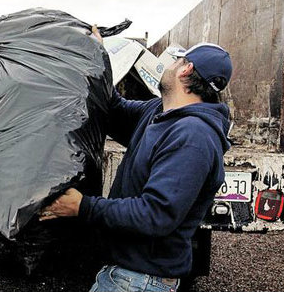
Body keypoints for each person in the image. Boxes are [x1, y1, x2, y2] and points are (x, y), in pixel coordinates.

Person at [41, 35, 233, 292]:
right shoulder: (159, 113)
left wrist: (83, 207)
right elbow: (112, 109)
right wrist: (98, 58)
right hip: (126, 275)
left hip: (140, 281)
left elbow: (155, 215)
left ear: (186, 69)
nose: (170, 65)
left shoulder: (192, 137)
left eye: (176, 60)